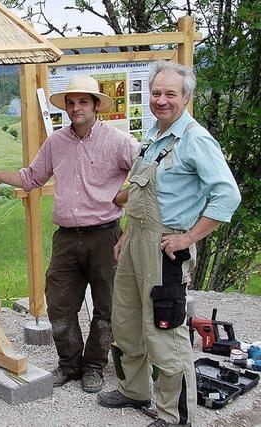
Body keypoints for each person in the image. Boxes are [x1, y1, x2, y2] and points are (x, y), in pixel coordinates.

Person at [97, 61, 241, 426]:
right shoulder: (153, 137)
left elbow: (227, 196)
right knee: (127, 320)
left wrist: (189, 237)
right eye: (156, 93)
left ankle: (174, 415)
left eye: (170, 94)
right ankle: (134, 390)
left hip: (165, 250)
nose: (161, 100)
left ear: (186, 97)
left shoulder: (195, 139)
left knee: (165, 330)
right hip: (135, 244)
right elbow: (139, 196)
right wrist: (127, 236)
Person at [0, 75, 138, 393]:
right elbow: (31, 177)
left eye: (83, 101)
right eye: (71, 102)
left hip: (105, 235)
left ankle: (94, 366)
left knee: (107, 305)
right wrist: (0, 174)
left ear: (97, 105)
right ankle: (70, 364)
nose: (75, 108)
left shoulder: (118, 141)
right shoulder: (56, 142)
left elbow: (146, 175)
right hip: (67, 238)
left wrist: (121, 197)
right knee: (57, 304)